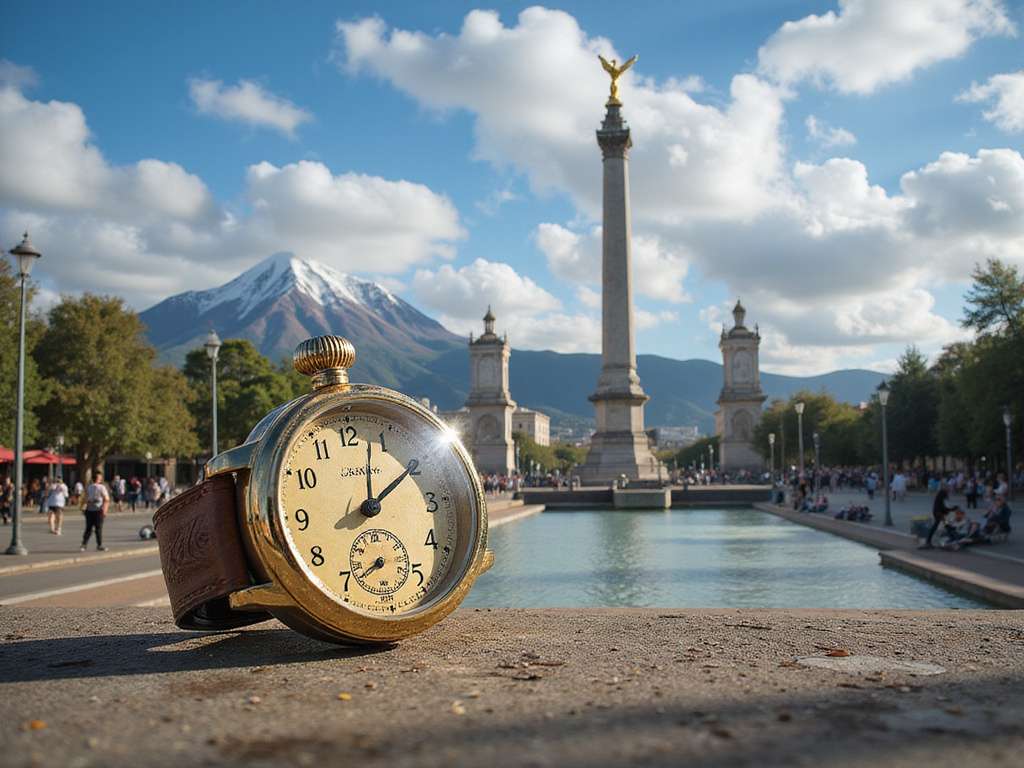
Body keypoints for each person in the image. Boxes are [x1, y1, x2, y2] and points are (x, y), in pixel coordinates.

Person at [80, 471, 110, 552]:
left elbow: (85, 498)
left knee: (88, 528)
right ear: (99, 478)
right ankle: (99, 544)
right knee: (98, 529)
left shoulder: (88, 487)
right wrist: (104, 510)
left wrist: (83, 508)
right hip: (98, 509)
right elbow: (106, 499)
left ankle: (84, 544)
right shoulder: (101, 488)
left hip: (90, 509)